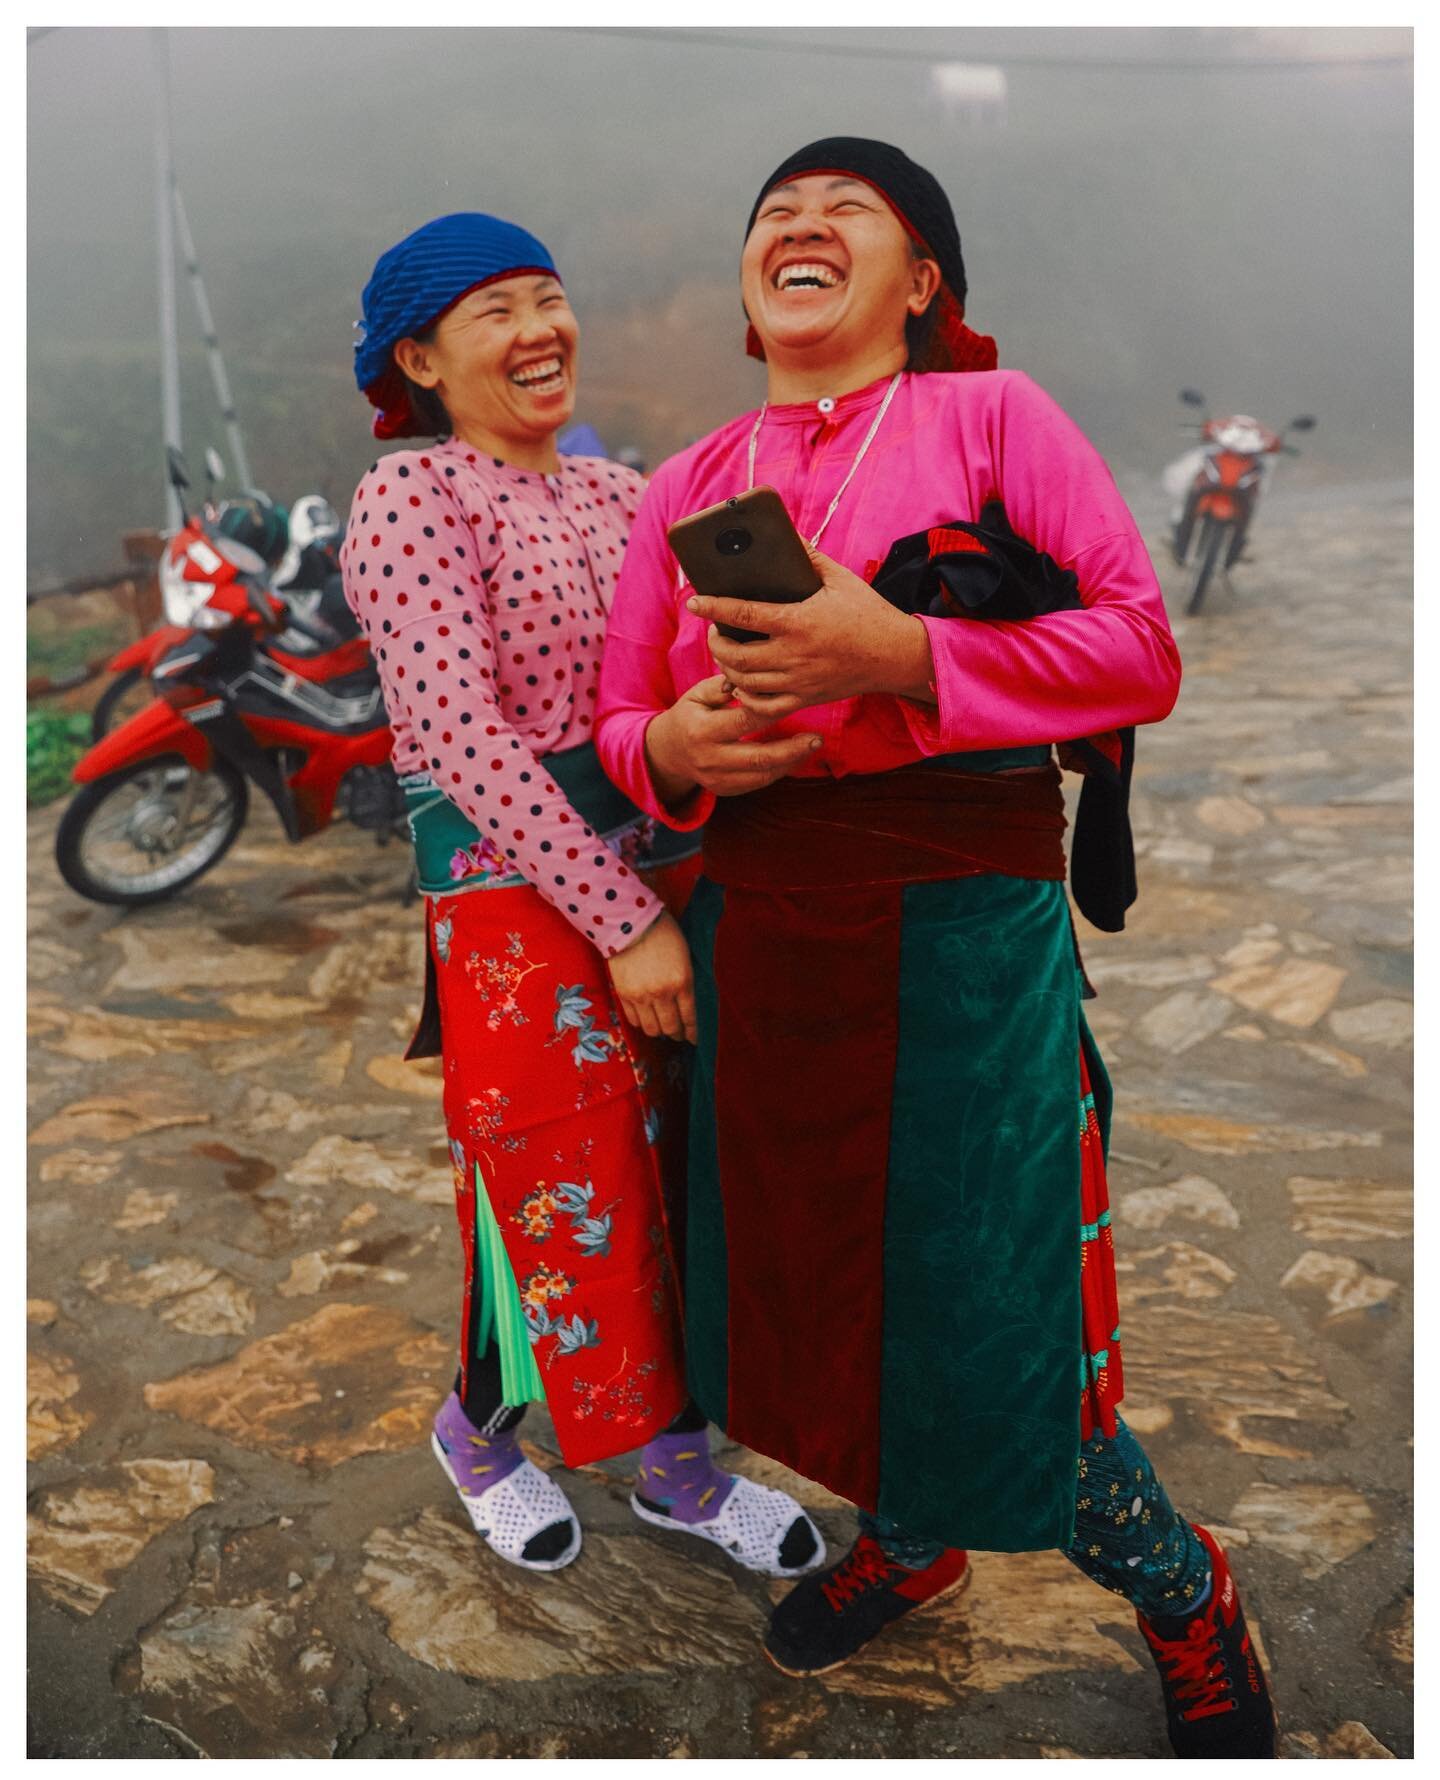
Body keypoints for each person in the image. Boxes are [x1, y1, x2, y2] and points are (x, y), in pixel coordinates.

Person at [595, 140, 1275, 1758]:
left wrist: (901, 648)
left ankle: (1183, 1588)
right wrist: (677, 752)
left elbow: (1136, 645)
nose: (800, 226)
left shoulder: (995, 420)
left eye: (849, 211)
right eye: (774, 212)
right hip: (762, 930)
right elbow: (619, 723)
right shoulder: (685, 483)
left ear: (922, 283)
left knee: (988, 1304)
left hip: (962, 929)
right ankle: (912, 1538)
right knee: (807, 1282)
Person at [341, 212, 821, 1580]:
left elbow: (681, 683)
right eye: (495, 311)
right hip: (515, 900)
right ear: (422, 359)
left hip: (671, 862)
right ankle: (482, 1431)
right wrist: (625, 920)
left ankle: (675, 1464)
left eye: (548, 297)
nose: (539, 328)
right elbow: (464, 740)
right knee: (557, 1188)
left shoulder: (628, 495)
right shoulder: (412, 501)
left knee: (683, 1173)